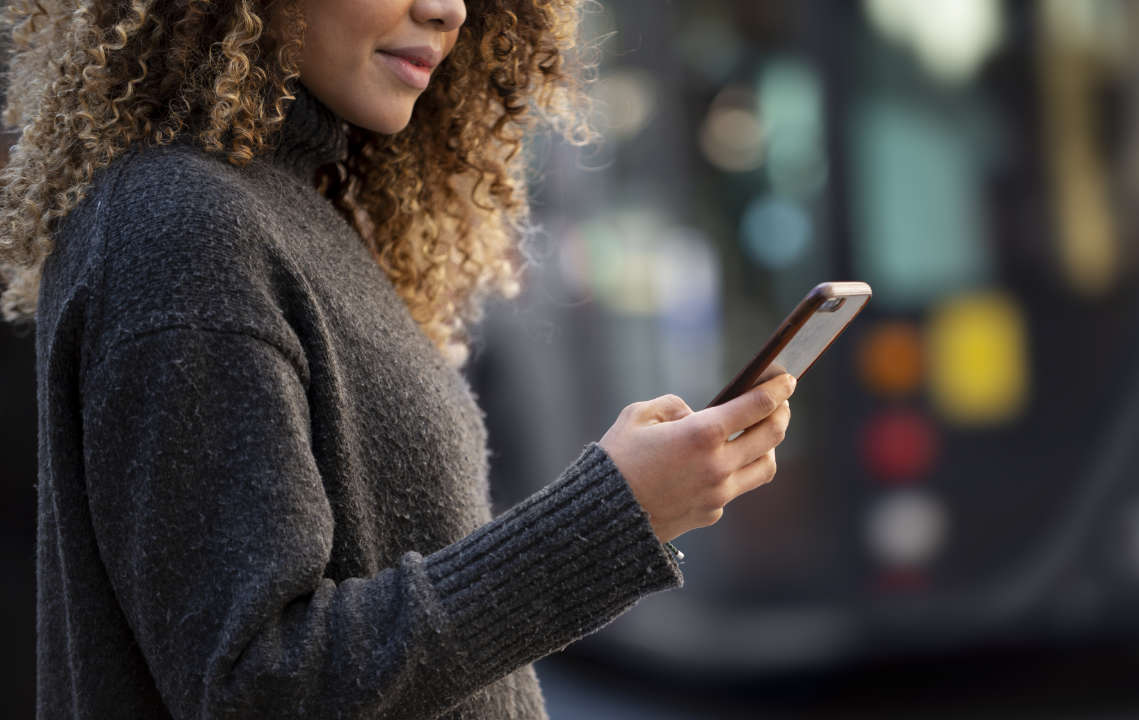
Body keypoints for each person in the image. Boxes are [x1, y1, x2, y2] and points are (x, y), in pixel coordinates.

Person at [0, 0, 795, 718]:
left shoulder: (290, 208)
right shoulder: (183, 232)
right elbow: (256, 686)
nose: (447, 9)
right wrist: (614, 515)